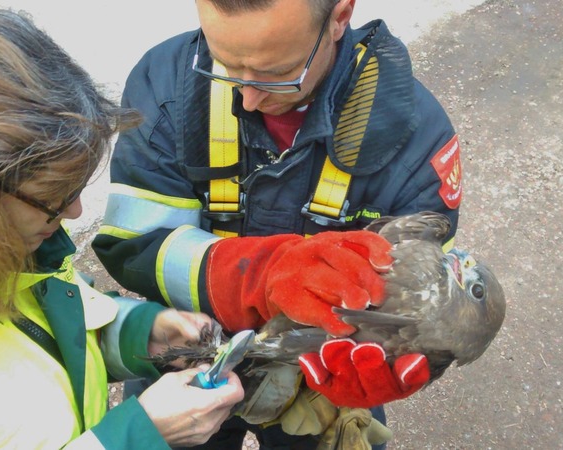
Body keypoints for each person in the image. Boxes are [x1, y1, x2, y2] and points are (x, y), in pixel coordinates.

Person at [93, 0, 463, 448]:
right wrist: (257, 279)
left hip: (319, 373)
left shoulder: (416, 137)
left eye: (277, 72)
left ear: (339, 17)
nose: (248, 97)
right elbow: (136, 246)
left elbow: (416, 301)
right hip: (185, 350)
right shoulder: (167, 83)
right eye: (225, 63)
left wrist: (391, 357)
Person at [0, 8, 244, 449]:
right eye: (54, 197)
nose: (73, 212)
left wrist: (138, 333)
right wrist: (133, 438)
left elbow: (37, 342)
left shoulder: (10, 252)